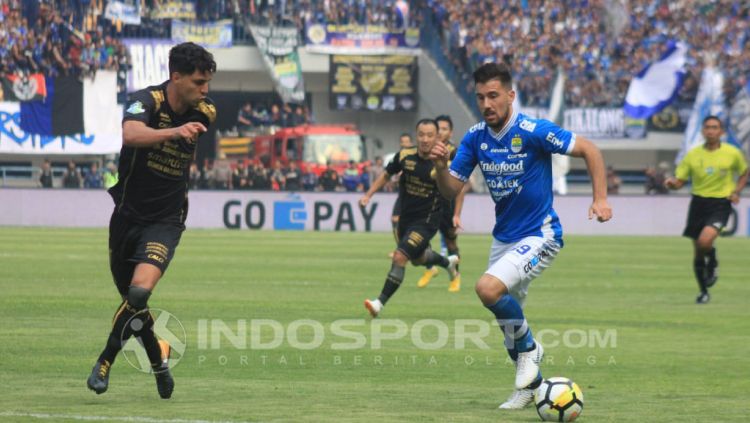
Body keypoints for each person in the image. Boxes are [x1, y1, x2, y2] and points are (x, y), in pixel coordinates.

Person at [430, 63, 612, 409]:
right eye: (481, 97)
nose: (487, 104)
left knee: (487, 288)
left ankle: (532, 351)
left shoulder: (532, 130)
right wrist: (440, 167)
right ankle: (532, 387)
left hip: (541, 234)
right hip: (504, 239)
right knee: (508, 322)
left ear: (511, 95)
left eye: (494, 96)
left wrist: (600, 198)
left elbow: (591, 150)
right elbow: (452, 188)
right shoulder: (474, 137)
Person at [86, 42, 217, 399]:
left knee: (139, 291)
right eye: (198, 82)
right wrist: (174, 132)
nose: (205, 90)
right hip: (127, 216)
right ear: (176, 77)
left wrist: (181, 128)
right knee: (135, 305)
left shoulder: (204, 111)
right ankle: (159, 363)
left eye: (207, 82)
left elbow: (185, 125)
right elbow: (131, 135)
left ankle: (104, 363)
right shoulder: (144, 100)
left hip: (166, 219)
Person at [360, 119, 460, 317]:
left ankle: (378, 303)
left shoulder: (443, 162)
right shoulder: (405, 156)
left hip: (428, 221)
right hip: (406, 220)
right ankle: (448, 263)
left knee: (400, 256)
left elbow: (455, 187)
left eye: (430, 135)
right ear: (416, 136)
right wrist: (368, 194)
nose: (425, 139)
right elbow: (387, 174)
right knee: (418, 259)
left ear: (437, 137)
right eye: (421, 135)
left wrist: (456, 211)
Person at [664, 116, 748, 304]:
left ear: (721, 131)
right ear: (703, 131)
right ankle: (703, 291)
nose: (711, 131)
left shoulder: (732, 153)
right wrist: (671, 184)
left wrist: (736, 191)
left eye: (714, 127)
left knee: (704, 241)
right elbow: (680, 181)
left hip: (720, 203)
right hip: (698, 203)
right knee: (698, 251)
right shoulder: (693, 155)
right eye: (708, 127)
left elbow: (744, 172)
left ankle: (713, 259)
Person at [417, 114, 469, 292]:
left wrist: (457, 214)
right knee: (419, 239)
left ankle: (455, 276)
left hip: (447, 205)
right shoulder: (425, 150)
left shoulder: (455, 152)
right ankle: (430, 268)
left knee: (451, 243)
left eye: (444, 129)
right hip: (428, 204)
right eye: (438, 129)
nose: (440, 132)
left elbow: (461, 186)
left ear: (451, 132)